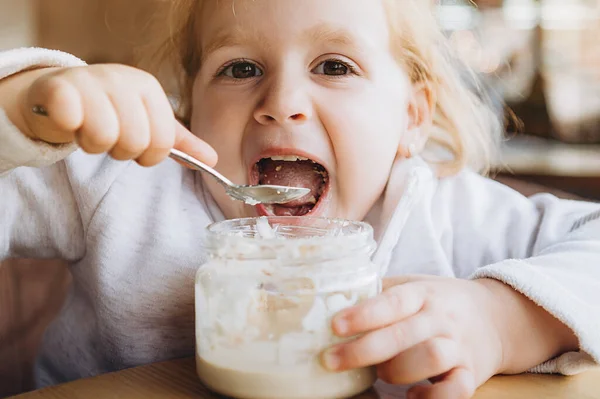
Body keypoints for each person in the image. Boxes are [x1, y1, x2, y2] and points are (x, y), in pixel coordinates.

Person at [0, 0, 599, 398]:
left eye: (334, 65)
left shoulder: (445, 210)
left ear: (411, 119)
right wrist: (27, 103)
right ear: (190, 110)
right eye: (238, 69)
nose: (281, 100)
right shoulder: (121, 184)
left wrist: (501, 318)